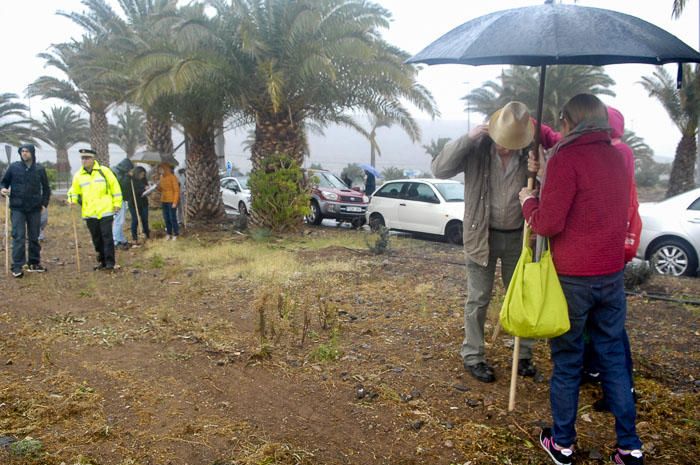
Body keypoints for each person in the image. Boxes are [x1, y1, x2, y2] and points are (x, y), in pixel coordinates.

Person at [519, 94, 643, 465]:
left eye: (563, 121)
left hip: (572, 278)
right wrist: (547, 175)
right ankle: (629, 447)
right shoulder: (618, 158)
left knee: (569, 361)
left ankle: (562, 444)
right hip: (611, 276)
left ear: (571, 122)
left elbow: (548, 223)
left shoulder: (567, 158)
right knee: (614, 360)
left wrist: (529, 198)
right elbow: (593, 201)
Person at [431, 101, 557, 383]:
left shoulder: (530, 152)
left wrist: (541, 169)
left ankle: (523, 355)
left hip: (519, 236)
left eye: (513, 143)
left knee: (523, 296)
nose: (507, 148)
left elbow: (551, 191)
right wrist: (468, 138)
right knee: (478, 299)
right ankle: (473, 355)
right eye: (503, 142)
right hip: (481, 235)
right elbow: (439, 168)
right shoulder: (475, 148)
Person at [67, 148, 123, 271]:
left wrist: (117, 203)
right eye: (83, 158)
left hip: (105, 211)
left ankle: (110, 263)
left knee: (107, 237)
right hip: (90, 213)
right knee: (96, 239)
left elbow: (115, 188)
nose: (84, 160)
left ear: (93, 159)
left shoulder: (105, 171)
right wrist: (72, 200)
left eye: (87, 158)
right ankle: (102, 261)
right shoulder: (78, 175)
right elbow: (74, 191)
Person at [0, 144, 51, 277]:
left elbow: (46, 188)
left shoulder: (39, 169)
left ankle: (34, 262)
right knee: (19, 236)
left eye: (27, 151)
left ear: (32, 153)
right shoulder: (14, 167)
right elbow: (4, 182)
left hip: (34, 208)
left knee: (34, 236)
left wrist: (44, 204)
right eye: (22, 151)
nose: (24, 153)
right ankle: (17, 266)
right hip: (17, 208)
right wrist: (3, 189)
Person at [111, 158, 134, 250]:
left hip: (120, 199)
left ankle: (121, 239)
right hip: (117, 200)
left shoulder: (118, 171)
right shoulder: (117, 173)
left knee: (120, 220)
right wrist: (128, 177)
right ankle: (116, 241)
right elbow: (121, 186)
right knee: (118, 221)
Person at [124, 166, 150, 243]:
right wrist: (128, 176)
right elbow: (127, 187)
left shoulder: (143, 180)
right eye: (141, 174)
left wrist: (147, 189)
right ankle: (134, 238)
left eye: (144, 174)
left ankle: (147, 235)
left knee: (145, 220)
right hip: (133, 203)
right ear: (137, 173)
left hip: (143, 203)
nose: (143, 176)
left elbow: (145, 188)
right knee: (135, 220)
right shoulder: (131, 180)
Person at [157, 163, 180, 240]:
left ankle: (176, 233)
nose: (160, 171)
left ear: (165, 169)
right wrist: (157, 187)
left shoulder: (173, 177)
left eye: (161, 169)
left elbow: (176, 190)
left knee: (172, 217)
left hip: (171, 200)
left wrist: (175, 202)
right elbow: (161, 189)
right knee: (166, 217)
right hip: (164, 200)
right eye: (159, 170)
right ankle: (169, 233)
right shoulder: (161, 177)